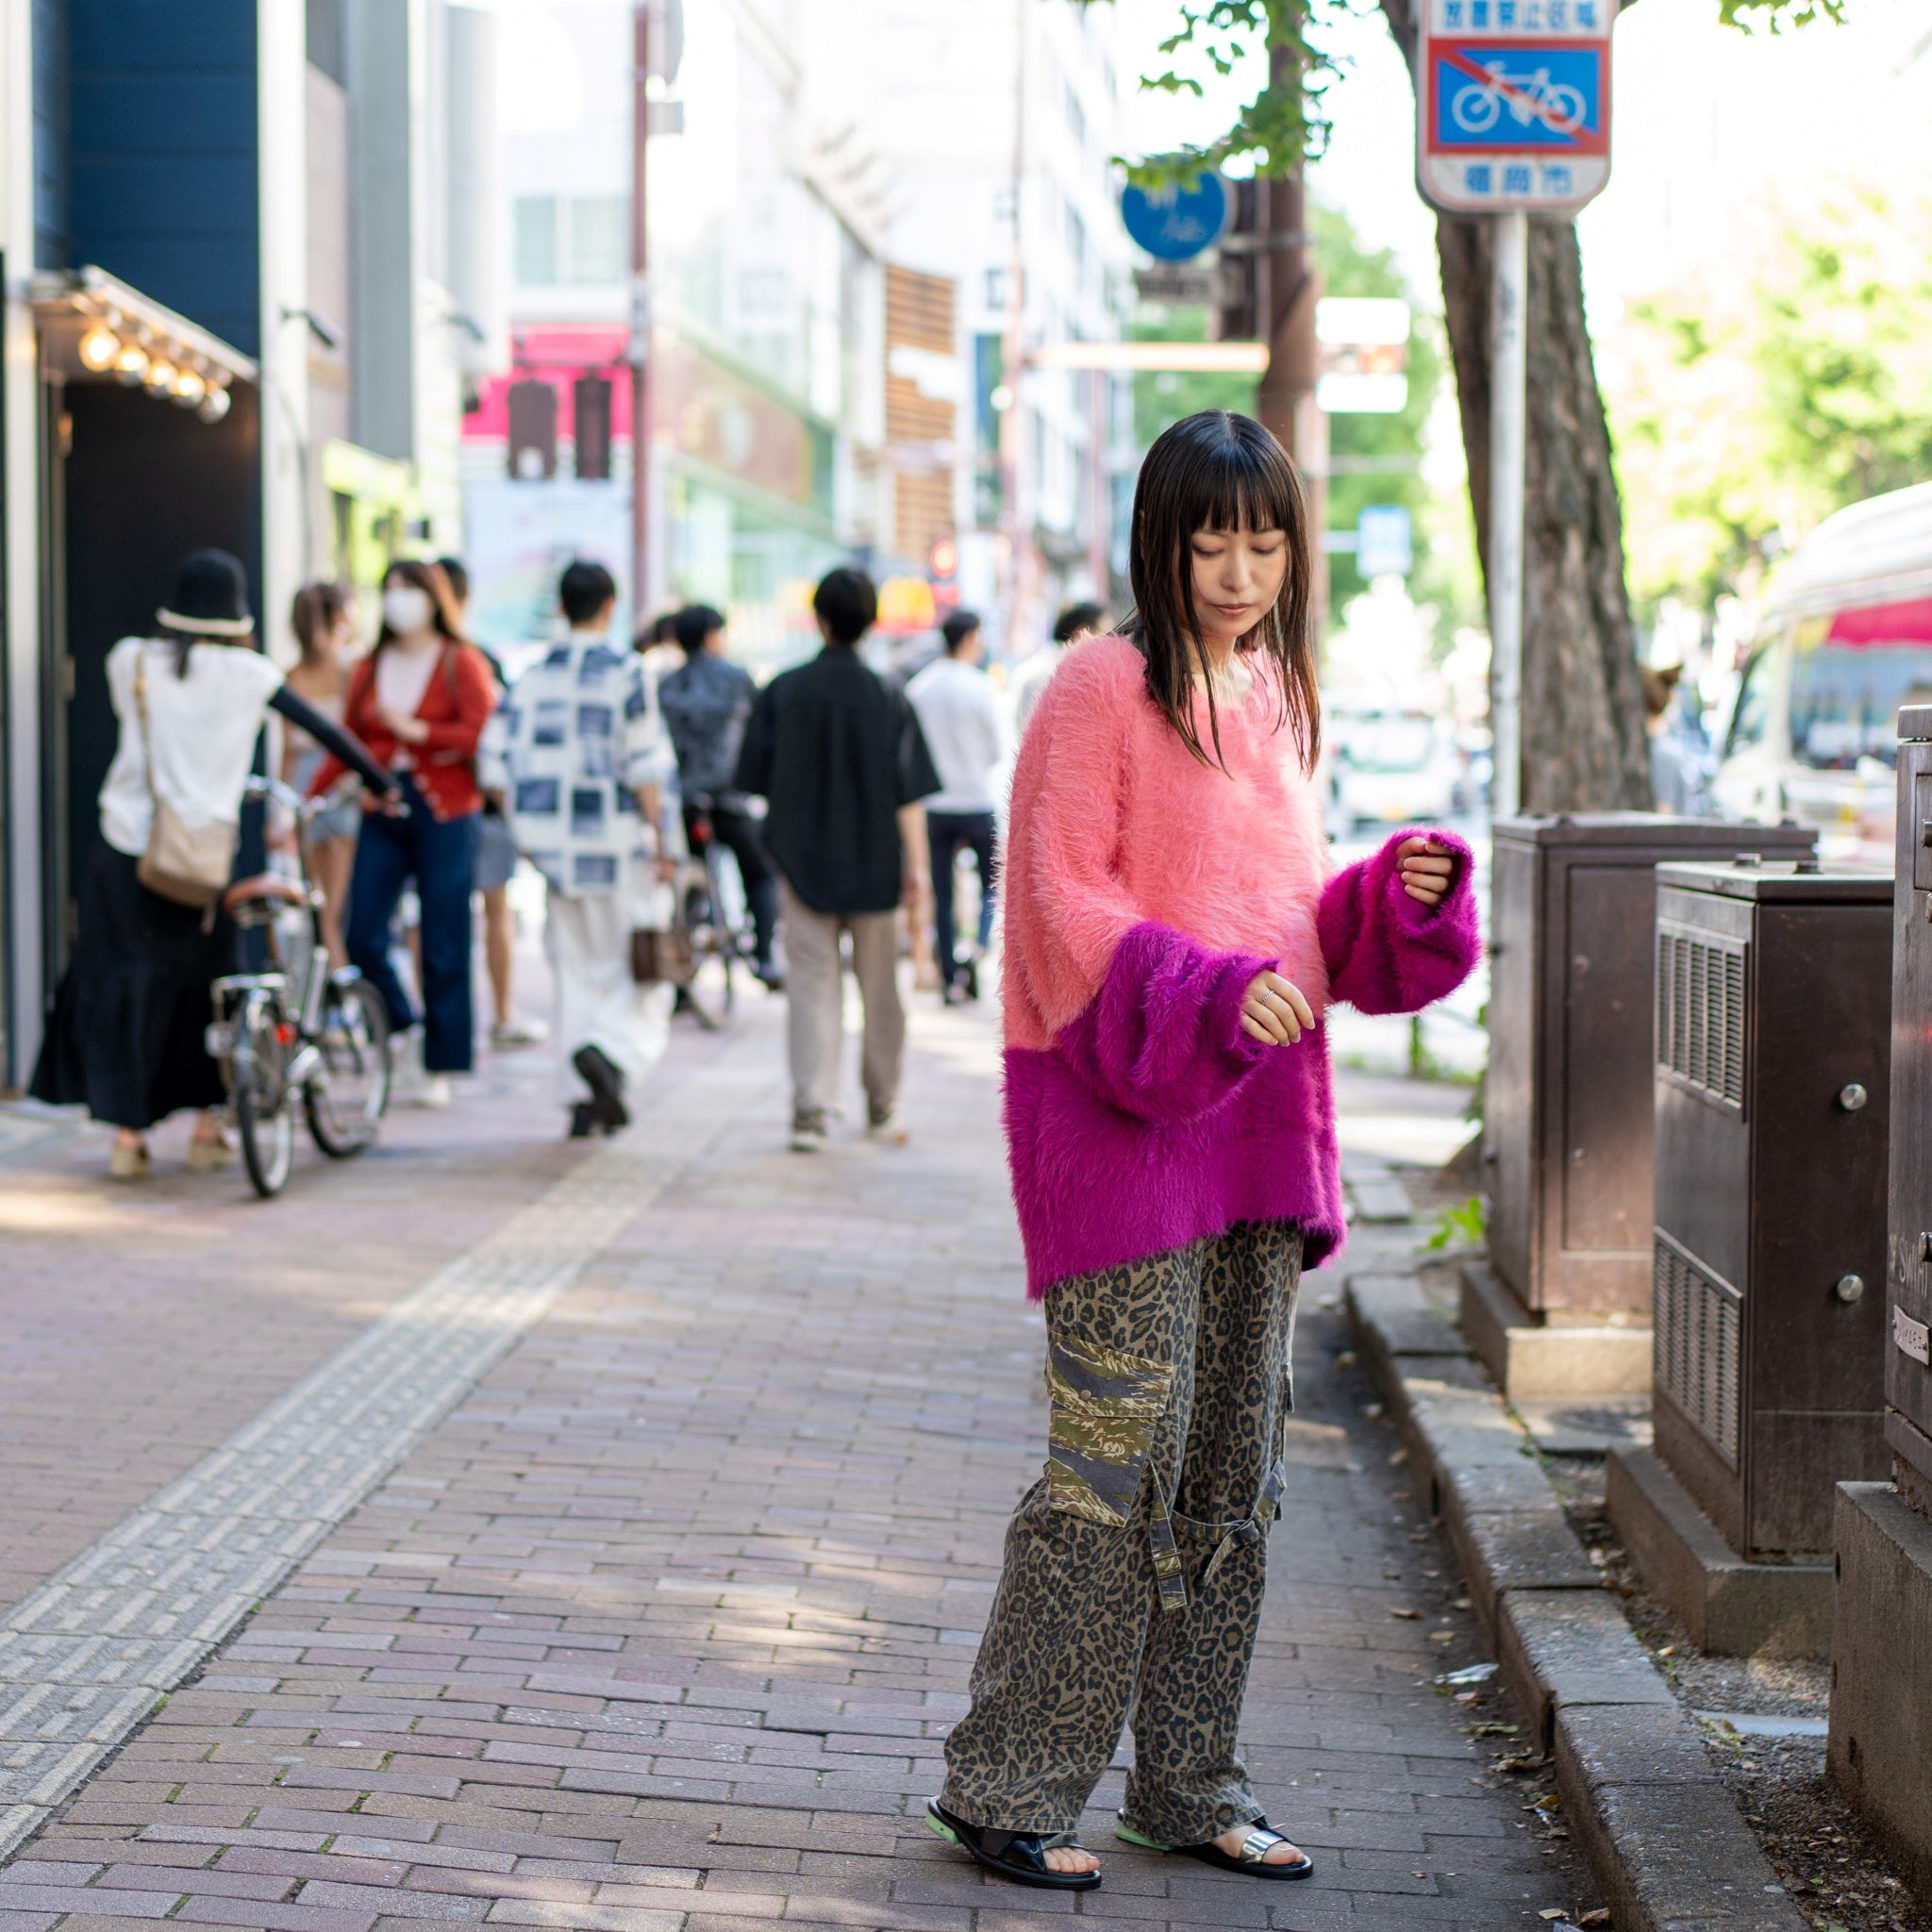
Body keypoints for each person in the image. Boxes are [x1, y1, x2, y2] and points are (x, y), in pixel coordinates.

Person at [926, 412, 1478, 1892]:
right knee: (1112, 1466)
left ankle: (1187, 1781)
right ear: (1159, 543)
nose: (1239, 570)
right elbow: (1055, 906)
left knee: (1231, 1476)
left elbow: (1293, 929)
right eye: (1210, 538)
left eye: (1266, 538)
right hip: (1115, 1129)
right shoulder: (1099, 685)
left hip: (1258, 1132)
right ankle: (1007, 1785)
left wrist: (1394, 893)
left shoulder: (1280, 697)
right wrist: (1217, 992)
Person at [31, 549, 395, 1179]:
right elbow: (327, 733)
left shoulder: (131, 661)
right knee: (214, 989)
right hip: (206, 861)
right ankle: (206, 1129)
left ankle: (127, 1140)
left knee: (127, 982)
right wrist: (380, 783)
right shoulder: (251, 675)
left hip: (130, 850)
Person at [734, 566, 941, 1153]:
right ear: (872, 622)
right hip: (877, 865)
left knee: (811, 985)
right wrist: (919, 870)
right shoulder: (888, 695)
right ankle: (881, 1103)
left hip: (803, 864)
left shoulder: (783, 689)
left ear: (820, 620)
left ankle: (811, 1110)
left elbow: (755, 782)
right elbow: (909, 796)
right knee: (880, 989)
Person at [479, 560, 679, 1138]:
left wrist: (527, 826)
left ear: (563, 607)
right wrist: (663, 839)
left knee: (574, 974)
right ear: (610, 606)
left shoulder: (533, 675)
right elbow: (645, 765)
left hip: (553, 858)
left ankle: (580, 1097)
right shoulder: (627, 672)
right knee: (641, 973)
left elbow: (493, 760)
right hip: (618, 847)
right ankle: (611, 1057)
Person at [309, 558, 498, 1110]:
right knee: (362, 931)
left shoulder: (460, 660)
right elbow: (347, 738)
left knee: (443, 937)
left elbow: (482, 730)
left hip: (446, 811)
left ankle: (440, 1059)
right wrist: (311, 798)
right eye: (388, 589)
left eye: (409, 589)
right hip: (382, 808)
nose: (398, 600)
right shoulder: (369, 666)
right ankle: (403, 1026)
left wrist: (422, 731)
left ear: (434, 597)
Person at [438, 556, 545, 1049]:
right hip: (459, 809)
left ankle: (487, 1016)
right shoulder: (472, 657)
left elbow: (491, 734)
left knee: (466, 913)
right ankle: (487, 1018)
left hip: (464, 807)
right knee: (478, 912)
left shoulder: (469, 659)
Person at [658, 603, 781, 989]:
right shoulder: (737, 678)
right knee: (760, 874)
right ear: (713, 636)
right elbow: (763, 737)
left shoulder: (667, 684)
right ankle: (763, 955)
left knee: (683, 884)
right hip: (730, 798)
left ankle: (682, 969)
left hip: (683, 802)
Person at [906, 608, 1007, 1003]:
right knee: (993, 885)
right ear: (968, 639)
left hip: (934, 805)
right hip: (976, 798)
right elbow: (997, 750)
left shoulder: (919, 688)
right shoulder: (981, 687)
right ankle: (977, 948)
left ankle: (948, 976)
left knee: (943, 894)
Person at [279, 581, 361, 967]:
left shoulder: (291, 677)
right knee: (331, 912)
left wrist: (279, 814)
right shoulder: (347, 673)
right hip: (339, 788)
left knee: (321, 910)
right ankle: (338, 994)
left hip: (307, 793)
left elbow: (287, 754)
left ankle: (328, 991)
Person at [1009, 598, 1105, 740]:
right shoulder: (1054, 674)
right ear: (1083, 633)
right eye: (1106, 633)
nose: (1108, 643)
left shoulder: (1036, 666)